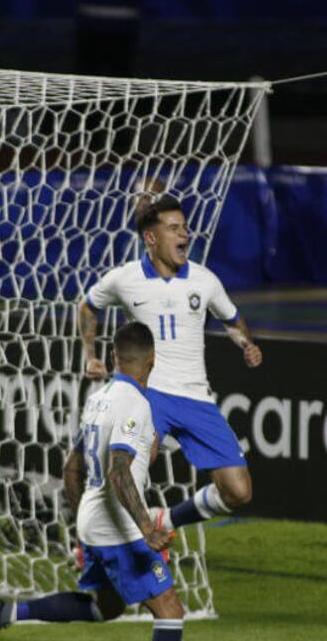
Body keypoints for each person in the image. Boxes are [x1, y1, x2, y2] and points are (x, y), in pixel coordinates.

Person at [0, 322, 185, 641]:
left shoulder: (97, 400)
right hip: (119, 528)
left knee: (107, 607)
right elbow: (119, 471)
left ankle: (5, 612)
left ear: (113, 356)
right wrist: (147, 529)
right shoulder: (135, 404)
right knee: (169, 609)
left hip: (91, 519)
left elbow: (71, 469)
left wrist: (81, 525)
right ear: (153, 361)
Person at [78, 194, 262, 536]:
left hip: (196, 397)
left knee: (238, 491)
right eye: (174, 228)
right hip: (148, 395)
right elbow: (88, 306)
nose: (184, 234)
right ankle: (94, 545)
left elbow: (234, 321)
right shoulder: (125, 278)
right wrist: (91, 354)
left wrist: (245, 344)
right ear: (151, 238)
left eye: (185, 227)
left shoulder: (204, 280)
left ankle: (168, 520)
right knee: (127, 472)